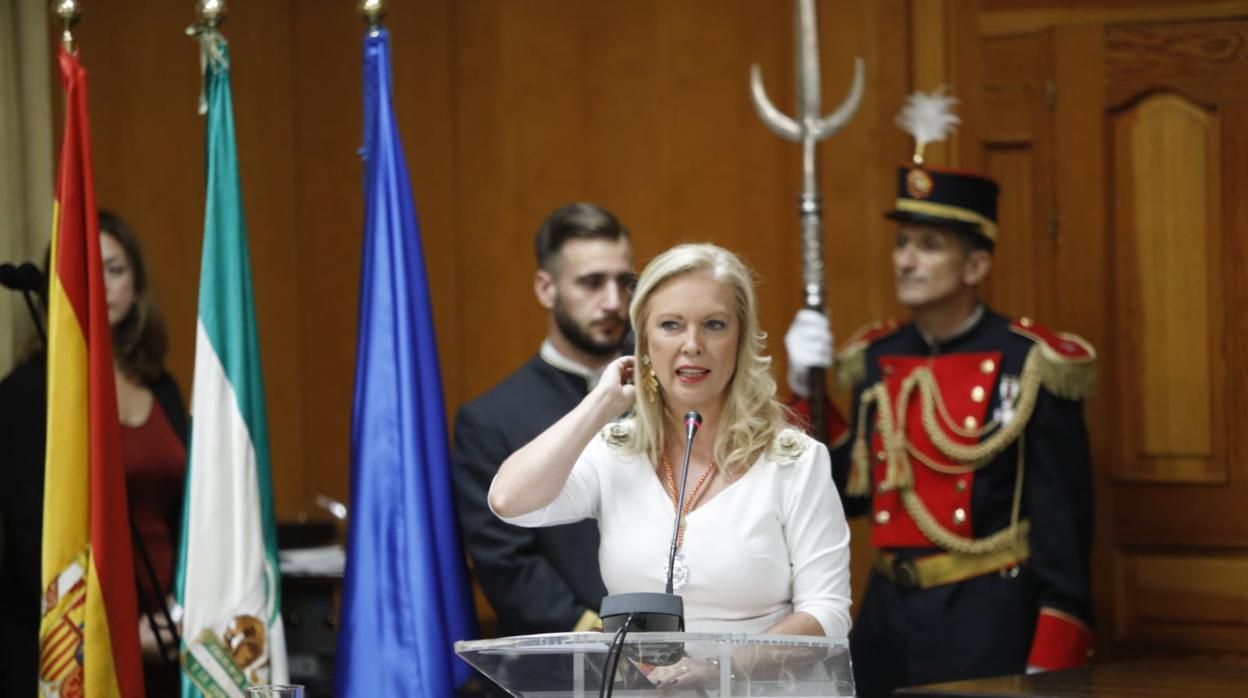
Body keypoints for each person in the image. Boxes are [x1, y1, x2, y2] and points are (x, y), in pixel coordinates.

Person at [786, 90, 1096, 697]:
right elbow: (844, 492)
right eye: (902, 243)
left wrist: (1056, 653)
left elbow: (1063, 526)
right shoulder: (876, 355)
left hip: (985, 615)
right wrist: (804, 389)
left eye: (928, 246)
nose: (906, 260)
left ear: (975, 266)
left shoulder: (1029, 361)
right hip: (885, 616)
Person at [489, 243, 853, 692]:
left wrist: (723, 666)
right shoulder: (614, 452)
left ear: (740, 339)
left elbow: (828, 612)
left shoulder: (795, 461)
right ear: (643, 343)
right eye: (670, 325)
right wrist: (601, 403)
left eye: (714, 325)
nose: (692, 345)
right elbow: (510, 502)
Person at [0, 210, 188, 696]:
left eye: (116, 269)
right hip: (76, 646)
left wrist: (182, 614)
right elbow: (33, 540)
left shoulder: (162, 387)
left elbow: (188, 513)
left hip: (171, 641)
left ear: (137, 284)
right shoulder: (27, 394)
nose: (102, 284)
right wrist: (119, 632)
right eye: (88, 267)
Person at [451, 202, 632, 638]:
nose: (612, 301)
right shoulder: (491, 419)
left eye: (623, 282)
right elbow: (506, 561)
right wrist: (597, 637)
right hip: (559, 662)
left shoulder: (671, 395)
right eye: (591, 283)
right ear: (546, 288)